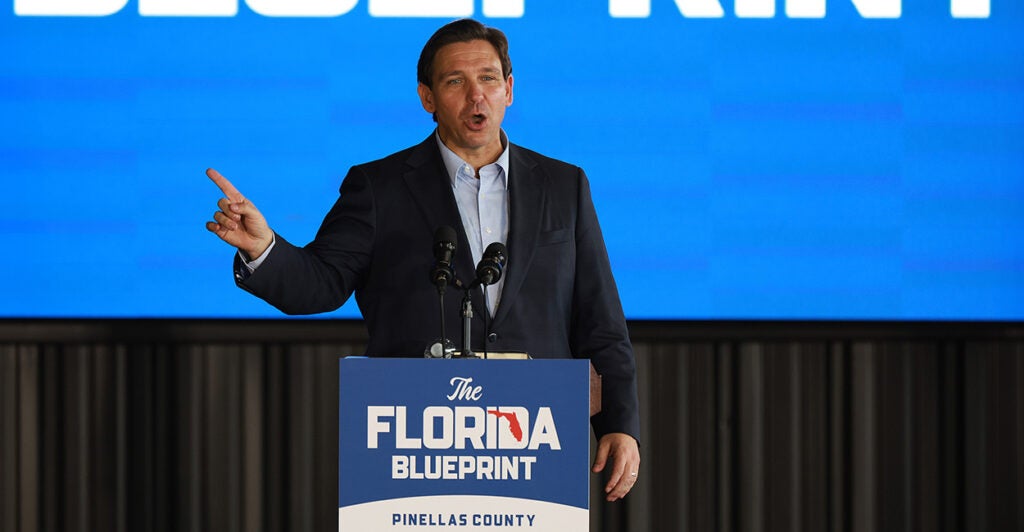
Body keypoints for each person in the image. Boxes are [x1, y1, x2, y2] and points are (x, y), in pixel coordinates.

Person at [205, 18, 640, 501]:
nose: (476, 95)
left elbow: (600, 318)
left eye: (489, 78)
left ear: (509, 89)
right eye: (455, 81)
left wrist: (619, 422)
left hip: (533, 440)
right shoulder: (379, 186)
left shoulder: (564, 185)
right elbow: (321, 283)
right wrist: (263, 248)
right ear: (428, 98)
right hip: (418, 446)